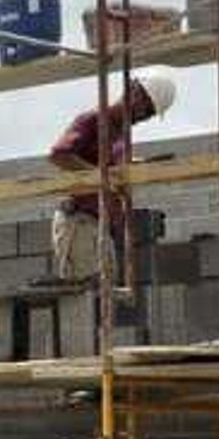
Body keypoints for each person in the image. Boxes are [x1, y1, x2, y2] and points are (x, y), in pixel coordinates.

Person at [44, 66, 181, 289]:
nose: (142, 116)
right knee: (86, 296)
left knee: (104, 299)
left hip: (100, 227)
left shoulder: (121, 136)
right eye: (144, 107)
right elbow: (59, 155)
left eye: (148, 114)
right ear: (132, 89)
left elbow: (109, 166)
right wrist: (104, 181)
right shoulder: (93, 120)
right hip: (80, 222)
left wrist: (138, 165)